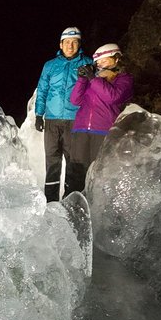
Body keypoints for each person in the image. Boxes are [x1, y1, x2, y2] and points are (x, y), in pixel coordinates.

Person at [34, 27, 93, 202]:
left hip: (75, 120)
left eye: (74, 42)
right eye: (67, 42)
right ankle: (51, 201)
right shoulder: (50, 65)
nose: (70, 46)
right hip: (52, 120)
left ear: (79, 44)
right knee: (52, 161)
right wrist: (39, 114)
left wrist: (92, 77)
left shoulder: (88, 63)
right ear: (61, 44)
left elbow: (95, 91)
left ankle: (71, 202)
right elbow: (43, 90)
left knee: (73, 163)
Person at [68, 43, 134, 192]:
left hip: (103, 131)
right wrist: (82, 80)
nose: (99, 65)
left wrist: (93, 79)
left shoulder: (124, 79)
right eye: (97, 63)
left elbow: (112, 97)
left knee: (98, 175)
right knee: (76, 174)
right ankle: (72, 208)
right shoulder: (94, 80)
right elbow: (75, 100)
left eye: (103, 61)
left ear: (116, 59)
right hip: (81, 129)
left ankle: (94, 210)